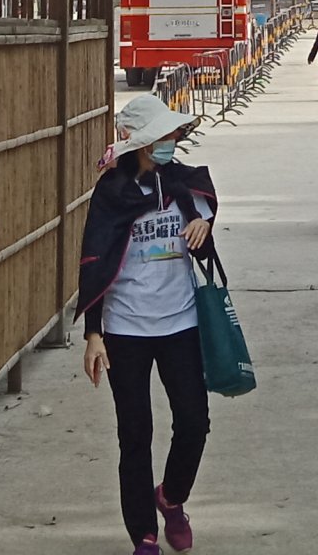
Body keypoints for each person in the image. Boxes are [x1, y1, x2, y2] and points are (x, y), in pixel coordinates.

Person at [78, 95, 220, 555]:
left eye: (174, 133)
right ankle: (143, 534)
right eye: (164, 134)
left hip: (181, 323)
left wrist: (203, 229)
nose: (173, 139)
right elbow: (94, 259)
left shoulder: (184, 183)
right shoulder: (110, 193)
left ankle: (171, 498)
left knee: (194, 422)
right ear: (141, 142)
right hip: (125, 330)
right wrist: (93, 334)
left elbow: (204, 238)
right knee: (135, 435)